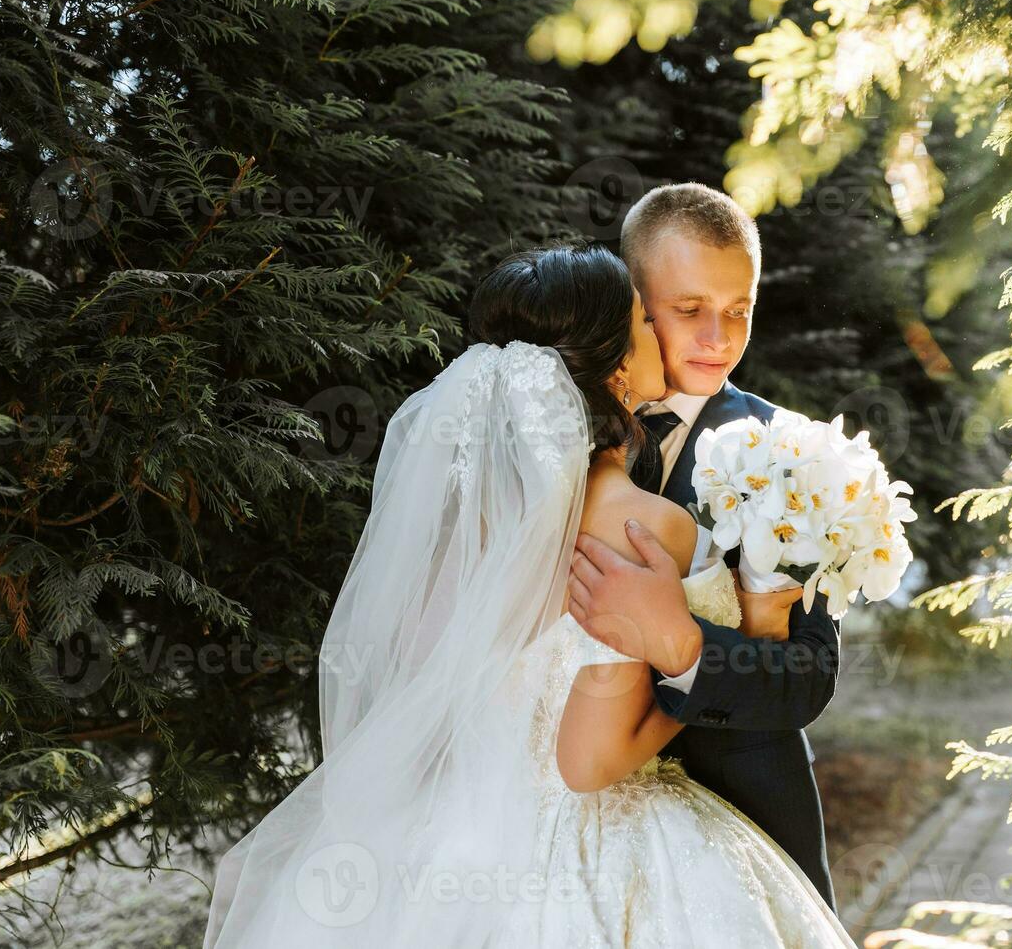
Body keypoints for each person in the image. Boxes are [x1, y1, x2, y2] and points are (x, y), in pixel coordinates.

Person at [202, 244, 856, 947]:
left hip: (462, 832)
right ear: (613, 367)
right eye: (647, 319)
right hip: (600, 842)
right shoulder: (646, 525)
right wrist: (691, 658)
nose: (670, 335)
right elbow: (587, 762)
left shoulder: (475, 525)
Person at [569, 182, 839, 906]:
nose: (718, 338)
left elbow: (808, 677)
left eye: (739, 313)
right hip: (566, 828)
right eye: (689, 310)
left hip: (745, 829)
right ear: (632, 296)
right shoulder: (547, 433)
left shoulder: (789, 456)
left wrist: (684, 645)